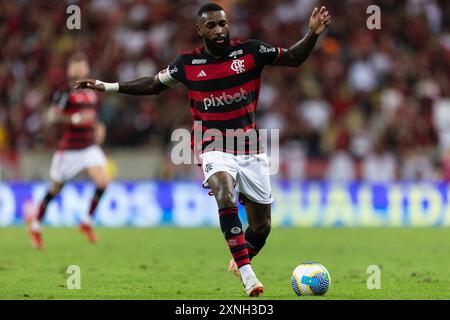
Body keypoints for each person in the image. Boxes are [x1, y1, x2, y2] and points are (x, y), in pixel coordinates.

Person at [75, 3, 331, 297]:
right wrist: (106, 86)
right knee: (223, 192)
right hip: (212, 144)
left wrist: (312, 33)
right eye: (211, 25)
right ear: (200, 30)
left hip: (250, 148)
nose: (219, 30)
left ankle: (242, 256)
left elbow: (294, 58)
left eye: (223, 24)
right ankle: (248, 275)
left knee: (261, 228)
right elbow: (152, 86)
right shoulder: (186, 65)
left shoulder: (251, 52)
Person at [27, 53, 110, 250]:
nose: (80, 68)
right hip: (69, 150)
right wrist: (73, 119)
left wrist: (99, 127)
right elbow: (52, 116)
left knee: (103, 181)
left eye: (83, 64)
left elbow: (93, 117)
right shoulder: (65, 92)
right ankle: (36, 225)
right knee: (54, 190)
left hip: (89, 147)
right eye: (76, 65)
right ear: (69, 69)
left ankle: (86, 222)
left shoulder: (93, 92)